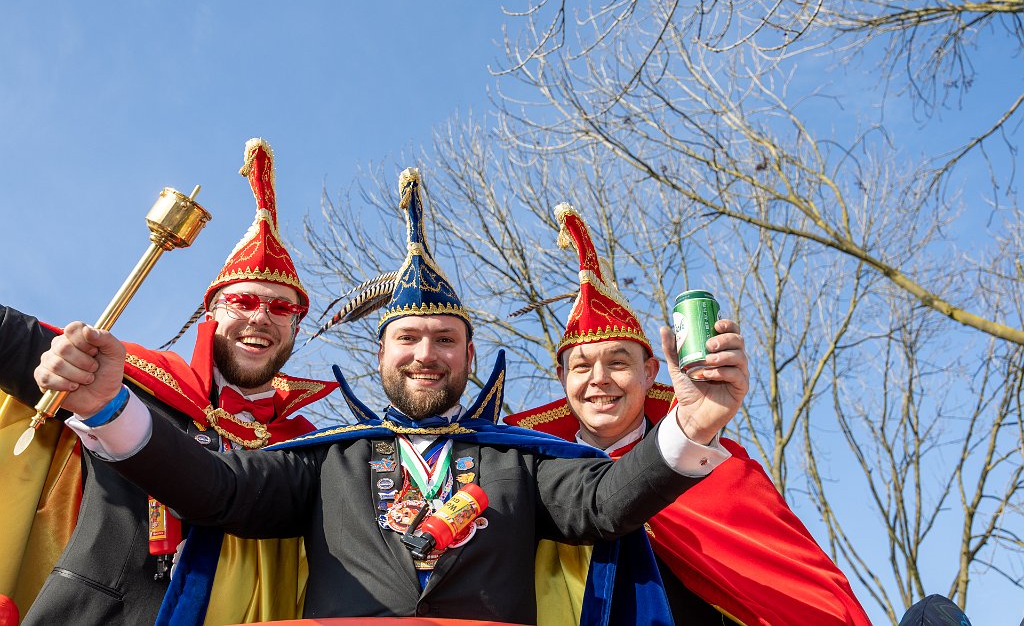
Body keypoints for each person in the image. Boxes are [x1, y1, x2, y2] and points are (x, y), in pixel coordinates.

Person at [33, 169, 750, 625]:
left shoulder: (526, 464)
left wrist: (691, 424)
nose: (426, 354)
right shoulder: (325, 461)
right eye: (407, 338)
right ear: (380, 356)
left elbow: (606, 503)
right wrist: (108, 407)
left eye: (445, 340)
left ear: (470, 357)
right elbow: (218, 489)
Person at [0, 138, 337, 625]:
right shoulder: (130, 380)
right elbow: (15, 340)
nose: (261, 317)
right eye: (243, 302)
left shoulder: (310, 451)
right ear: (210, 313)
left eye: (281, 308)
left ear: (296, 328)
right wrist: (65, 367)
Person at [506, 203, 872, 626]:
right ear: (562, 378)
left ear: (649, 372)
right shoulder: (529, 473)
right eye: (582, 366)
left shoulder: (720, 470)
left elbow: (802, 597)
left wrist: (696, 425)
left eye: (618, 363)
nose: (599, 379)